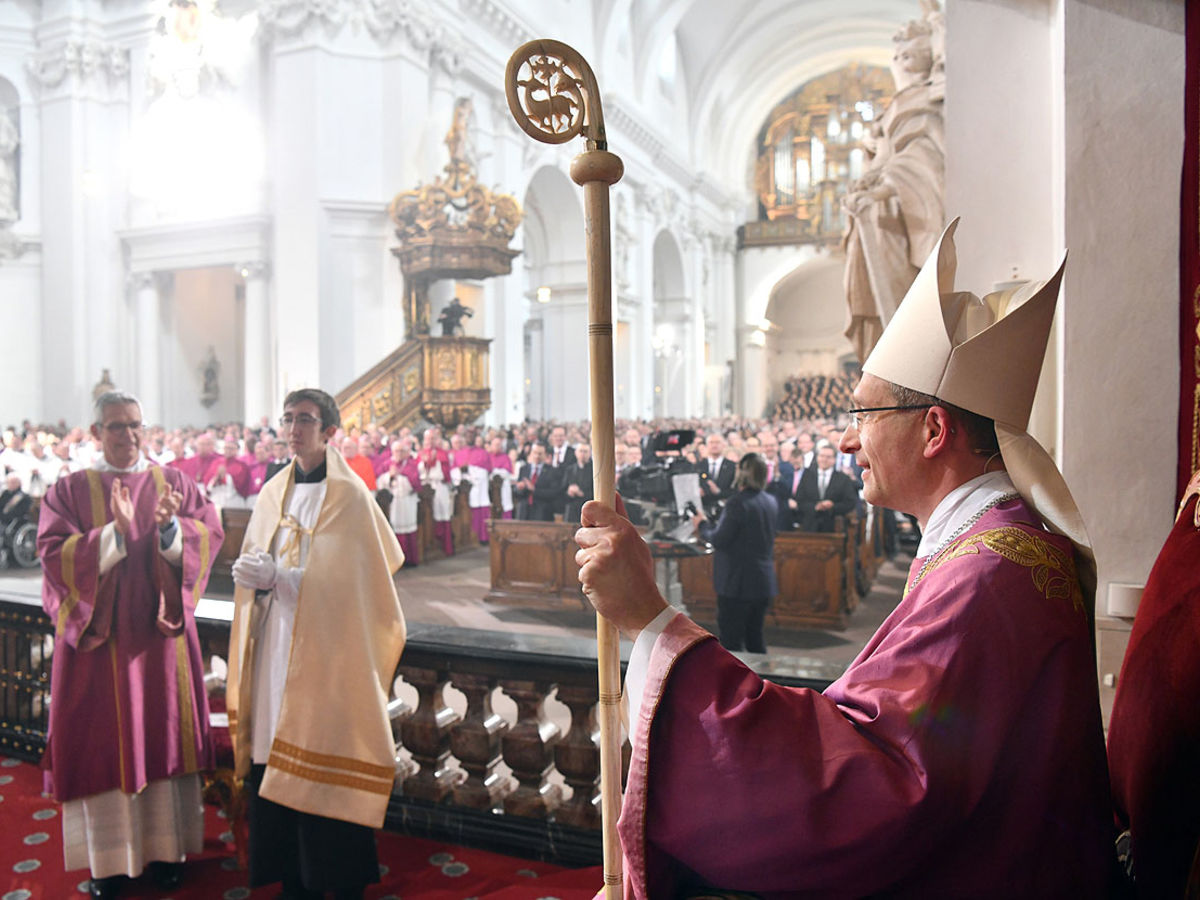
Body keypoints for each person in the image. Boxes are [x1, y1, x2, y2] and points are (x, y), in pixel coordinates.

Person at [574, 220, 1111, 897]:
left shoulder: (988, 577)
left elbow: (871, 788)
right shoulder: (992, 544)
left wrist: (648, 621)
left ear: (935, 429)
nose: (850, 442)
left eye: (863, 416)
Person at [37, 391, 223, 900]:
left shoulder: (175, 483)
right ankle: (108, 863)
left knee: (162, 736)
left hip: (157, 642)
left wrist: (168, 529)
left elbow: (209, 534)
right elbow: (52, 555)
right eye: (116, 426)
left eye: (136, 425)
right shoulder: (70, 490)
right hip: (97, 648)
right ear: (96, 433)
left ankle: (168, 854)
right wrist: (110, 537)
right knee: (103, 744)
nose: (129, 435)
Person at [227, 388, 406, 900]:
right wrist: (254, 579)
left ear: (329, 430)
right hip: (275, 652)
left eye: (304, 419)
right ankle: (292, 880)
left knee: (321, 752)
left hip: (327, 657)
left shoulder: (349, 498)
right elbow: (260, 559)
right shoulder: (271, 492)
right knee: (273, 756)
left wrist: (281, 577)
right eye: (287, 419)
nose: (293, 428)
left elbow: (357, 590)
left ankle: (338, 880)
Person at [691, 452, 778, 654]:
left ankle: (735, 686)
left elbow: (719, 539)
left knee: (731, 641)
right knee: (755, 639)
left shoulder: (737, 502)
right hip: (762, 579)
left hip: (737, 582)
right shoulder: (769, 501)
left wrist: (702, 524)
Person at [794, 444, 858, 532]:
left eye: (828, 457)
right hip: (810, 526)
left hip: (834, 527)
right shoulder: (807, 476)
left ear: (834, 459)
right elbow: (799, 500)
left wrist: (832, 506)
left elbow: (850, 502)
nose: (824, 459)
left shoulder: (843, 479)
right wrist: (815, 507)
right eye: (821, 456)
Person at [562, 442, 594, 523]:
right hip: (571, 509)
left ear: (590, 453)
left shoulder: (594, 470)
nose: (583, 454)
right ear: (576, 453)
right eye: (581, 451)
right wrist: (569, 492)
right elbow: (562, 489)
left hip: (588, 509)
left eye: (585, 451)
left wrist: (581, 493)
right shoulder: (570, 469)